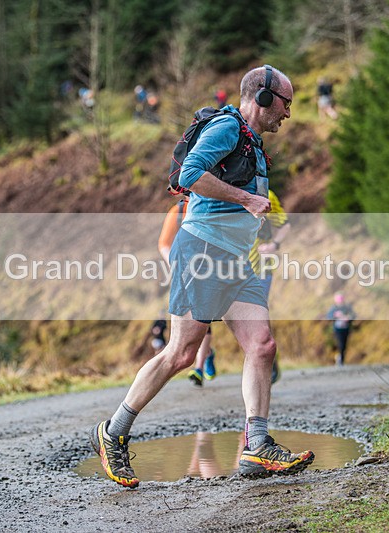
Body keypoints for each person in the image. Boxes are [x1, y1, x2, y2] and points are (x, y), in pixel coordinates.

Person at [89, 65, 314, 488]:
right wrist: (247, 198)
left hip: (235, 261)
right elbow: (190, 174)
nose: (288, 112)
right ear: (263, 98)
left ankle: (257, 444)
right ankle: (113, 432)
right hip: (202, 253)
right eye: (285, 102)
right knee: (181, 354)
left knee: (262, 345)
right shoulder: (228, 128)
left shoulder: (253, 143)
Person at [157, 197, 217, 386]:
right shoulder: (177, 212)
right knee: (189, 319)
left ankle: (198, 367)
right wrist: (174, 263)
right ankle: (206, 354)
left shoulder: (212, 207)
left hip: (207, 271)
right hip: (180, 271)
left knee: (204, 319)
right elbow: (164, 244)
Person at [248, 189, 291, 383]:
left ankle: (269, 360)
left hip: (261, 266)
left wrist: (274, 245)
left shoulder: (267, 194)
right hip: (233, 266)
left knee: (258, 313)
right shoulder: (227, 192)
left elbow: (284, 225)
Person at [326, 292, 355, 365]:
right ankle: (340, 359)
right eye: (338, 299)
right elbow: (329, 317)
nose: (340, 300)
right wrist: (335, 315)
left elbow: (353, 315)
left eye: (341, 299)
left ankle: (341, 358)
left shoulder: (347, 307)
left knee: (344, 344)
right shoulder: (333, 308)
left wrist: (348, 318)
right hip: (337, 329)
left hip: (346, 328)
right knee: (340, 343)